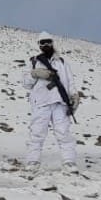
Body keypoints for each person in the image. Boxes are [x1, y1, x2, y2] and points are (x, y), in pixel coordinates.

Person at [22, 31, 80, 175]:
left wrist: (74, 96)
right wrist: (34, 73)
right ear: (39, 45)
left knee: (64, 133)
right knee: (37, 133)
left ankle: (69, 162)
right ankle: (32, 162)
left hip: (60, 102)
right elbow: (26, 84)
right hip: (41, 102)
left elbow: (69, 81)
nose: (46, 45)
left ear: (52, 43)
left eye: (48, 42)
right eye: (43, 43)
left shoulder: (62, 62)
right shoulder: (33, 61)